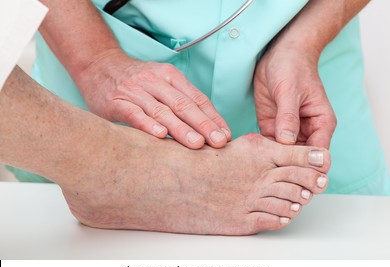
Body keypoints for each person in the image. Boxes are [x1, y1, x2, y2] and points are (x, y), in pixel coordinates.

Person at [0, 0, 330, 235]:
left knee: (345, 230)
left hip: (304, 26)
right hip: (82, 33)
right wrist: (94, 58)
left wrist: (302, 44)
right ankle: (110, 167)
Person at [19, 0, 388, 195]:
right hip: (89, 47)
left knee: (338, 237)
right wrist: (95, 60)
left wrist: (302, 44)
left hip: (307, 42)